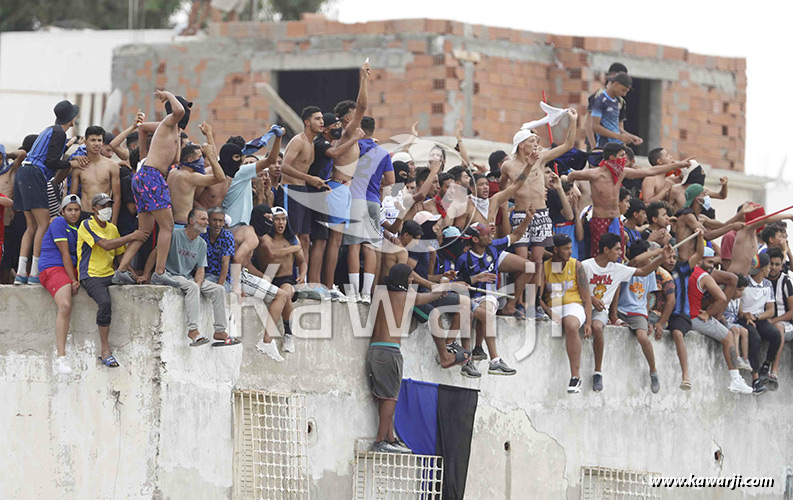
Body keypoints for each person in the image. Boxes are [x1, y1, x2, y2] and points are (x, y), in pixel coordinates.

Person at [500, 108, 578, 319]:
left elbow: (568, 145)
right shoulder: (508, 165)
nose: (536, 144)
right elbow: (502, 188)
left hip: (541, 215)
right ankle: (514, 302)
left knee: (536, 263)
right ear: (521, 144)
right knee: (522, 262)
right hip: (519, 215)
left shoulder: (541, 159)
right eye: (532, 140)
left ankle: (531, 305)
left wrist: (573, 121)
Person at [367, 263, 447, 453]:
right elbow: (433, 295)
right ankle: (381, 441)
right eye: (410, 278)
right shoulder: (406, 297)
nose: (412, 280)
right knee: (391, 398)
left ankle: (389, 438)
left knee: (386, 397)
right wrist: (444, 286)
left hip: (375, 350)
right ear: (405, 280)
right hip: (389, 351)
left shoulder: (381, 294)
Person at [567, 143, 692, 259]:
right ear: (612, 157)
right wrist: (572, 194)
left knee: (618, 255)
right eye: (621, 156)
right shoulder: (594, 174)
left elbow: (650, 171)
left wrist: (679, 165)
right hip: (599, 220)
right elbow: (570, 177)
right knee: (600, 255)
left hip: (616, 220)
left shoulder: (622, 172)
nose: (624, 159)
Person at [581, 232, 670, 393]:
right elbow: (576, 289)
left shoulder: (617, 269)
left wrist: (662, 258)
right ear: (606, 250)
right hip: (582, 306)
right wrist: (592, 298)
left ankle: (598, 372)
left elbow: (643, 272)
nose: (620, 253)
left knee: (597, 327)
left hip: (601, 312)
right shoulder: (586, 265)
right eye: (616, 249)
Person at [112, 91, 185, 286]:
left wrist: (144, 153)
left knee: (144, 231)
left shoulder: (172, 130)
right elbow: (177, 110)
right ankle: (160, 272)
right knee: (167, 226)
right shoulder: (169, 121)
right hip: (152, 177)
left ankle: (121, 270)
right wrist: (169, 95)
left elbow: (175, 159)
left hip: (145, 176)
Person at [14, 100, 86, 285]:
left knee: (31, 226)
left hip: (23, 172)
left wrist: (69, 150)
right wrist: (72, 163)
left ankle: (22, 272)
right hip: (35, 175)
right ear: (71, 119)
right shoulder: (59, 133)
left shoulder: (49, 130)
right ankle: (35, 272)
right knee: (43, 224)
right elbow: (51, 162)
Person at [456, 210, 535, 376]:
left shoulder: (494, 247)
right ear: (476, 239)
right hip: (469, 299)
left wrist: (528, 218)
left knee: (485, 312)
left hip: (488, 297)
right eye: (486, 234)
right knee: (473, 315)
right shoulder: (463, 259)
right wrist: (475, 278)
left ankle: (489, 359)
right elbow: (455, 283)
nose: (491, 235)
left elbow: (516, 235)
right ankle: (474, 358)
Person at [77, 193, 149, 367]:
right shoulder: (87, 224)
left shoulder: (112, 228)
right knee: (105, 303)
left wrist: (134, 275)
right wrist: (132, 236)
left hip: (110, 273)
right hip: (91, 275)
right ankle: (105, 350)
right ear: (94, 209)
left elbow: (121, 256)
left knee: (136, 291)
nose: (106, 209)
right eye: (102, 206)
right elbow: (106, 245)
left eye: (108, 205)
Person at [323, 61, 371, 292]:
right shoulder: (347, 132)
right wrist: (364, 79)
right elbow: (362, 105)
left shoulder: (344, 134)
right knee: (335, 241)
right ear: (344, 119)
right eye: (354, 117)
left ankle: (329, 283)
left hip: (343, 188)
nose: (358, 119)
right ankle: (329, 284)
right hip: (338, 187)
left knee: (335, 242)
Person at [160, 207, 239, 347]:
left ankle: (220, 331)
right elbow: (156, 252)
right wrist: (148, 274)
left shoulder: (202, 243)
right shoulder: (175, 234)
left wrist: (199, 283)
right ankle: (193, 331)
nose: (207, 223)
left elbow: (201, 270)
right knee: (192, 287)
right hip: (171, 275)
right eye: (204, 219)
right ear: (191, 220)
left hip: (187, 277)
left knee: (218, 290)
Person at [687, 243, 754, 394]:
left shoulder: (686, 270)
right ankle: (736, 379)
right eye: (710, 262)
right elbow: (722, 299)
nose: (713, 266)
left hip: (684, 316)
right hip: (694, 317)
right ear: (699, 260)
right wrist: (708, 314)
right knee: (729, 336)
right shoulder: (703, 276)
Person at [305, 112, 363, 287]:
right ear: (326, 129)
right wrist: (355, 138)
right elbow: (336, 154)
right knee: (327, 241)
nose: (338, 128)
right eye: (335, 125)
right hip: (322, 192)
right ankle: (323, 284)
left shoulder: (326, 143)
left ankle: (322, 284)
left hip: (330, 190)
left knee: (325, 241)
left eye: (339, 125)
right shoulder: (322, 144)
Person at [346, 116, 395, 303]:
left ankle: (353, 292)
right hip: (374, 201)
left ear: (359, 128)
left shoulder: (353, 147)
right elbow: (390, 181)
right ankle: (366, 293)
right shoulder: (382, 152)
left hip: (355, 200)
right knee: (371, 247)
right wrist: (377, 184)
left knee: (353, 245)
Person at [541, 233, 593, 393]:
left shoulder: (576, 265)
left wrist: (589, 323)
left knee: (571, 325)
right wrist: (550, 313)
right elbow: (538, 298)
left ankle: (575, 378)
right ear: (555, 250)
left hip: (573, 304)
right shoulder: (545, 267)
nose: (570, 252)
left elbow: (586, 296)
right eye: (566, 249)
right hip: (554, 305)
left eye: (570, 248)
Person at [38, 195, 82, 374]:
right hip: (53, 267)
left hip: (68, 268)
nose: (73, 213)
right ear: (62, 211)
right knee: (64, 305)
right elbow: (64, 254)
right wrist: (72, 279)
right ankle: (61, 357)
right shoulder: (58, 223)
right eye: (69, 210)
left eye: (76, 209)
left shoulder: (77, 229)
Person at [278, 107, 325, 265]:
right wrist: (309, 178)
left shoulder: (312, 143)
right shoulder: (299, 140)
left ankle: (302, 277)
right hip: (290, 190)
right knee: (293, 234)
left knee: (305, 237)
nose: (321, 122)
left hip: (303, 191)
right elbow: (284, 166)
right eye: (317, 119)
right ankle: (290, 274)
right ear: (307, 122)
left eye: (322, 118)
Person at [617, 239, 665, 393]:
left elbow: (647, 298)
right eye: (648, 258)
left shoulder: (649, 273)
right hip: (620, 309)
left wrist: (648, 319)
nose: (649, 261)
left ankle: (653, 371)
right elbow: (635, 261)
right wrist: (659, 252)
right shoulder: (626, 268)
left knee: (643, 337)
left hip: (638, 312)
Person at [256, 207, 305, 354]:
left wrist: (302, 274)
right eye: (277, 219)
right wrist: (293, 249)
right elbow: (273, 255)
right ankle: (269, 338)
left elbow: (303, 261)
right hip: (268, 276)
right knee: (281, 294)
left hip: (287, 278)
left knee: (286, 293)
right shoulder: (265, 238)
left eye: (283, 219)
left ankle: (288, 333)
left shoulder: (292, 239)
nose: (280, 222)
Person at [738, 253, 782, 394]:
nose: (770, 268)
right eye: (769, 265)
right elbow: (738, 308)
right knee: (755, 338)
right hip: (744, 319)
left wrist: (755, 317)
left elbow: (770, 311)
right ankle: (755, 379)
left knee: (776, 334)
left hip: (758, 318)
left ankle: (766, 365)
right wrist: (747, 316)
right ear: (764, 268)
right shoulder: (744, 281)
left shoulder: (768, 284)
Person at [166, 123, 225, 226]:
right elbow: (220, 177)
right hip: (182, 224)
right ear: (190, 160)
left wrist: (209, 135)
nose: (202, 160)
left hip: (171, 223)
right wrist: (210, 154)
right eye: (200, 156)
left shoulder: (173, 172)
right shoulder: (190, 177)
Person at [590, 71, 642, 148]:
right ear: (616, 84)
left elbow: (616, 127)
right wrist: (619, 137)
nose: (624, 94)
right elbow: (595, 127)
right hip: (605, 147)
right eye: (623, 90)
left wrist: (631, 137)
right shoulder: (601, 100)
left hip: (617, 147)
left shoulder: (617, 101)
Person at [584, 62, 628, 150]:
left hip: (612, 147)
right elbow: (588, 123)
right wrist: (594, 147)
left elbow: (619, 127)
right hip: (598, 144)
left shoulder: (621, 101)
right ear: (613, 75)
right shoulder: (599, 96)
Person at [767, 247, 793, 379]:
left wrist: (773, 321)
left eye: (777, 264)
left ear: (782, 265)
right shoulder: (761, 278)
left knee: (778, 328)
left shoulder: (786, 281)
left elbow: (791, 312)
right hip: (765, 322)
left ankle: (774, 370)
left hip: (785, 324)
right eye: (771, 263)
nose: (773, 268)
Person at [202, 206, 235, 291]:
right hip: (204, 274)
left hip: (221, 278)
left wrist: (219, 286)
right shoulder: (202, 234)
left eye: (220, 221)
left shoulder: (227, 237)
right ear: (208, 221)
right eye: (214, 220)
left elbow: (225, 263)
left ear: (224, 222)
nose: (217, 224)